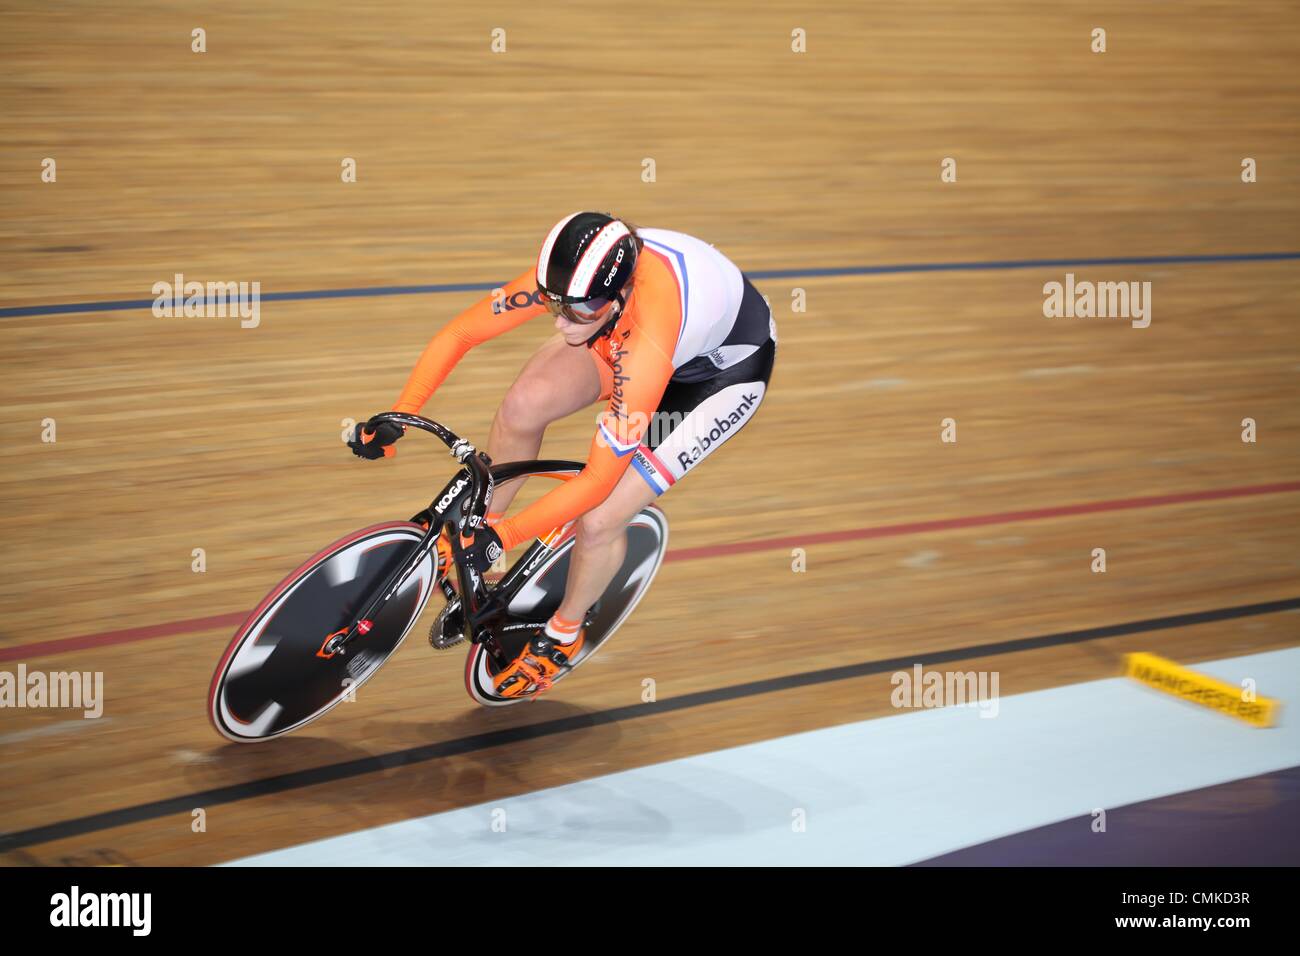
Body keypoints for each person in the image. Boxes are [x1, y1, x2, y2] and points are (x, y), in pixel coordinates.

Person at [351, 212, 776, 697]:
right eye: (555, 305)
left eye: (575, 312)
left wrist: (507, 535)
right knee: (522, 407)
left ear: (615, 296)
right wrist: (400, 414)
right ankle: (480, 544)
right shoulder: (578, 284)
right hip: (628, 332)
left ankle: (565, 635)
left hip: (717, 379)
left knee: (599, 517)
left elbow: (596, 479)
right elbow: (461, 334)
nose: (559, 322)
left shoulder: (646, 340)